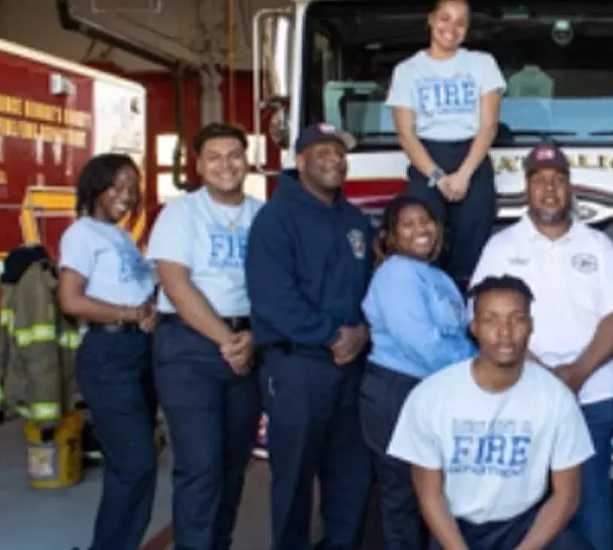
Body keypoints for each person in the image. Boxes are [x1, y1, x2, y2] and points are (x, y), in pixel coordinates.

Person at [469, 141, 613, 550]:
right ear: (527, 188)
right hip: (524, 392)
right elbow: (481, 317)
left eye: (558, 179)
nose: (549, 189)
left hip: (593, 392)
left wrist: (575, 374)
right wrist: (539, 372)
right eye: (540, 180)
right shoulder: (502, 247)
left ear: (569, 187)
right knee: (528, 507)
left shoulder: (598, 245)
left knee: (588, 498)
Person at [387, 275, 595, 550]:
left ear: (531, 326)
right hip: (455, 529)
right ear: (474, 327)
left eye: (516, 319)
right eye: (491, 320)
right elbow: (429, 496)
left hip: (522, 527)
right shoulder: (432, 396)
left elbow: (566, 496)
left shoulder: (556, 398)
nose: (505, 332)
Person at [245, 122, 373, 550]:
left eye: (340, 152)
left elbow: (369, 288)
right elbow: (273, 298)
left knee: (350, 475)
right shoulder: (275, 219)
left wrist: (363, 332)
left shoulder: (354, 219)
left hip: (351, 369)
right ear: (300, 161)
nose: (335, 159)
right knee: (294, 478)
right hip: (297, 367)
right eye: (323, 152)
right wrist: (334, 335)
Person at [146, 123, 263, 550]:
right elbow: (175, 284)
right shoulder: (181, 213)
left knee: (233, 466)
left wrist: (250, 337)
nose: (225, 165)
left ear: (246, 161)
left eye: (234, 155)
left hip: (248, 344)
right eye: (214, 157)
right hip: (190, 347)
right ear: (198, 165)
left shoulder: (261, 213)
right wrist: (227, 340)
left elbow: (274, 284)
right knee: (200, 465)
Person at [360, 195, 477, 550]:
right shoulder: (396, 273)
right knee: (404, 499)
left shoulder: (436, 276)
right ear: (391, 237)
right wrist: (479, 368)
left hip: (433, 392)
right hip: (398, 394)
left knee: (437, 494)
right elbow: (421, 343)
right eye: (407, 225)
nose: (420, 230)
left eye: (425, 221)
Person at [56, 153, 158, 550]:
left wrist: (148, 311)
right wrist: (130, 313)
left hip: (137, 349)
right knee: (135, 464)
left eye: (133, 187)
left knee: (134, 464)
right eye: (117, 186)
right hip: (108, 353)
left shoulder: (120, 235)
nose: (127, 195)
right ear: (95, 187)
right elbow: (70, 300)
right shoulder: (82, 234)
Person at [386, 0, 506, 290]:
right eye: (445, 18)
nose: (451, 28)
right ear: (430, 19)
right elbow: (405, 134)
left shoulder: (482, 63)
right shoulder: (408, 70)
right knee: (422, 245)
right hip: (426, 158)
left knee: (473, 246)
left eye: (460, 22)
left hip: (472, 158)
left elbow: (488, 126)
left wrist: (464, 174)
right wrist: (438, 177)